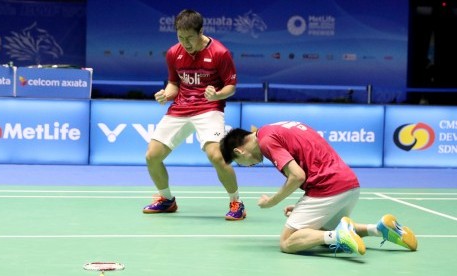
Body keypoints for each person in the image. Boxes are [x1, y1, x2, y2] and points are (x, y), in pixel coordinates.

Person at [220, 121, 418, 254]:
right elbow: (312, 165)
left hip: (328, 188)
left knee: (288, 242)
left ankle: (339, 235)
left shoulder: (266, 141)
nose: (249, 165)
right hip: (349, 184)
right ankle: (380, 229)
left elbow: (297, 176)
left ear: (239, 151)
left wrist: (272, 201)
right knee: (317, 232)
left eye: (240, 162)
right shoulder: (276, 128)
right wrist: (302, 206)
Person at [142, 9, 246, 220]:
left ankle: (237, 202)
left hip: (209, 108)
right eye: (180, 37)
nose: (185, 43)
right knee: (152, 156)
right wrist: (166, 94)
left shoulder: (219, 53)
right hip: (180, 108)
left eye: (189, 37)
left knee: (217, 156)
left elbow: (231, 86)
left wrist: (216, 95)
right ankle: (166, 200)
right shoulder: (173, 53)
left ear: (201, 32)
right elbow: (174, 83)